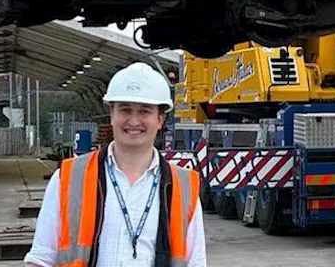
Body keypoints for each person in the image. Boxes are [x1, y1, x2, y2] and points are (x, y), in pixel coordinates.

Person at [24, 62, 206, 267]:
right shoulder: (69, 178)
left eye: (145, 111)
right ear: (111, 115)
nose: (134, 121)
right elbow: (40, 259)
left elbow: (195, 263)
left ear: (160, 119)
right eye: (125, 110)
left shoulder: (183, 188)